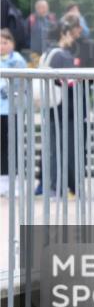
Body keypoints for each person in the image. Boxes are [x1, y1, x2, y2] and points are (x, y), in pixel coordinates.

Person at [36, 18, 80, 196]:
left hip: (50, 105)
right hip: (63, 106)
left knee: (52, 146)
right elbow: (71, 82)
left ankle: (51, 185)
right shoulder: (63, 55)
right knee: (62, 146)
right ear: (64, 33)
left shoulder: (46, 53)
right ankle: (57, 185)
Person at [1, 28, 27, 196]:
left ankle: (17, 182)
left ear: (12, 43)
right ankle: (3, 181)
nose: (2, 46)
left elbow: (20, 84)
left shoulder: (17, 60)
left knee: (15, 144)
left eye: (5, 42)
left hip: (13, 108)